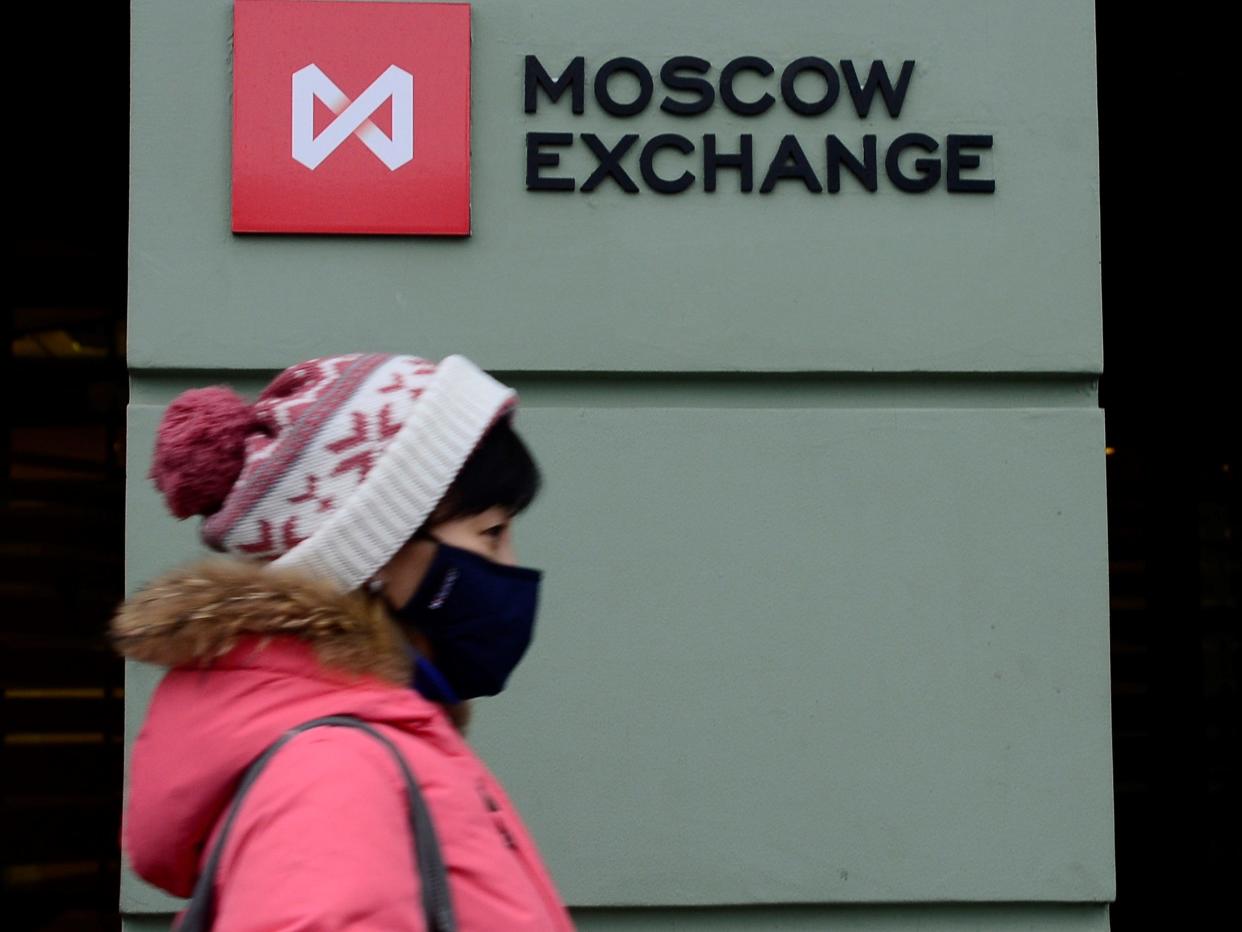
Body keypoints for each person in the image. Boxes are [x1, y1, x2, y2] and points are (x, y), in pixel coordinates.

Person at [112, 352, 575, 931]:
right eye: (492, 534)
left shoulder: (369, 746)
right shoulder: (336, 772)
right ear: (376, 552)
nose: (510, 565)